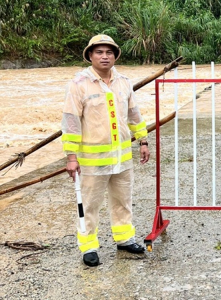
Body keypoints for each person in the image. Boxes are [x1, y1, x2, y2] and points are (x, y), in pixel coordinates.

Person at [62, 34, 150, 267]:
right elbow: (71, 122)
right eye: (99, 52)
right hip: (92, 160)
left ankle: (124, 239)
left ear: (115, 56)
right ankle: (89, 246)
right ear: (90, 55)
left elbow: (134, 113)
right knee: (89, 204)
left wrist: (143, 140)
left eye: (109, 52)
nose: (104, 56)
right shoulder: (78, 84)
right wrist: (71, 157)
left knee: (123, 200)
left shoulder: (124, 81)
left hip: (122, 159)